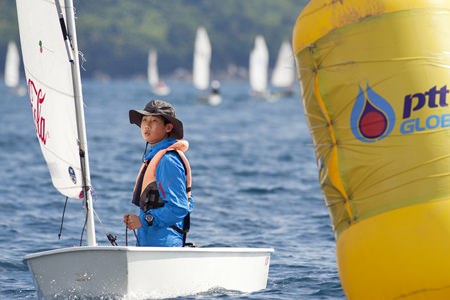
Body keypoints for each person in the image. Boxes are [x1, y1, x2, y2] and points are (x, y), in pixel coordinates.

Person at [124, 99, 193, 247]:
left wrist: (143, 220)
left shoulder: (168, 161)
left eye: (154, 120)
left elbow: (179, 208)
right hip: (151, 243)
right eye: (144, 120)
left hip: (164, 245)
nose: (147, 125)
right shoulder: (155, 156)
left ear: (168, 127)